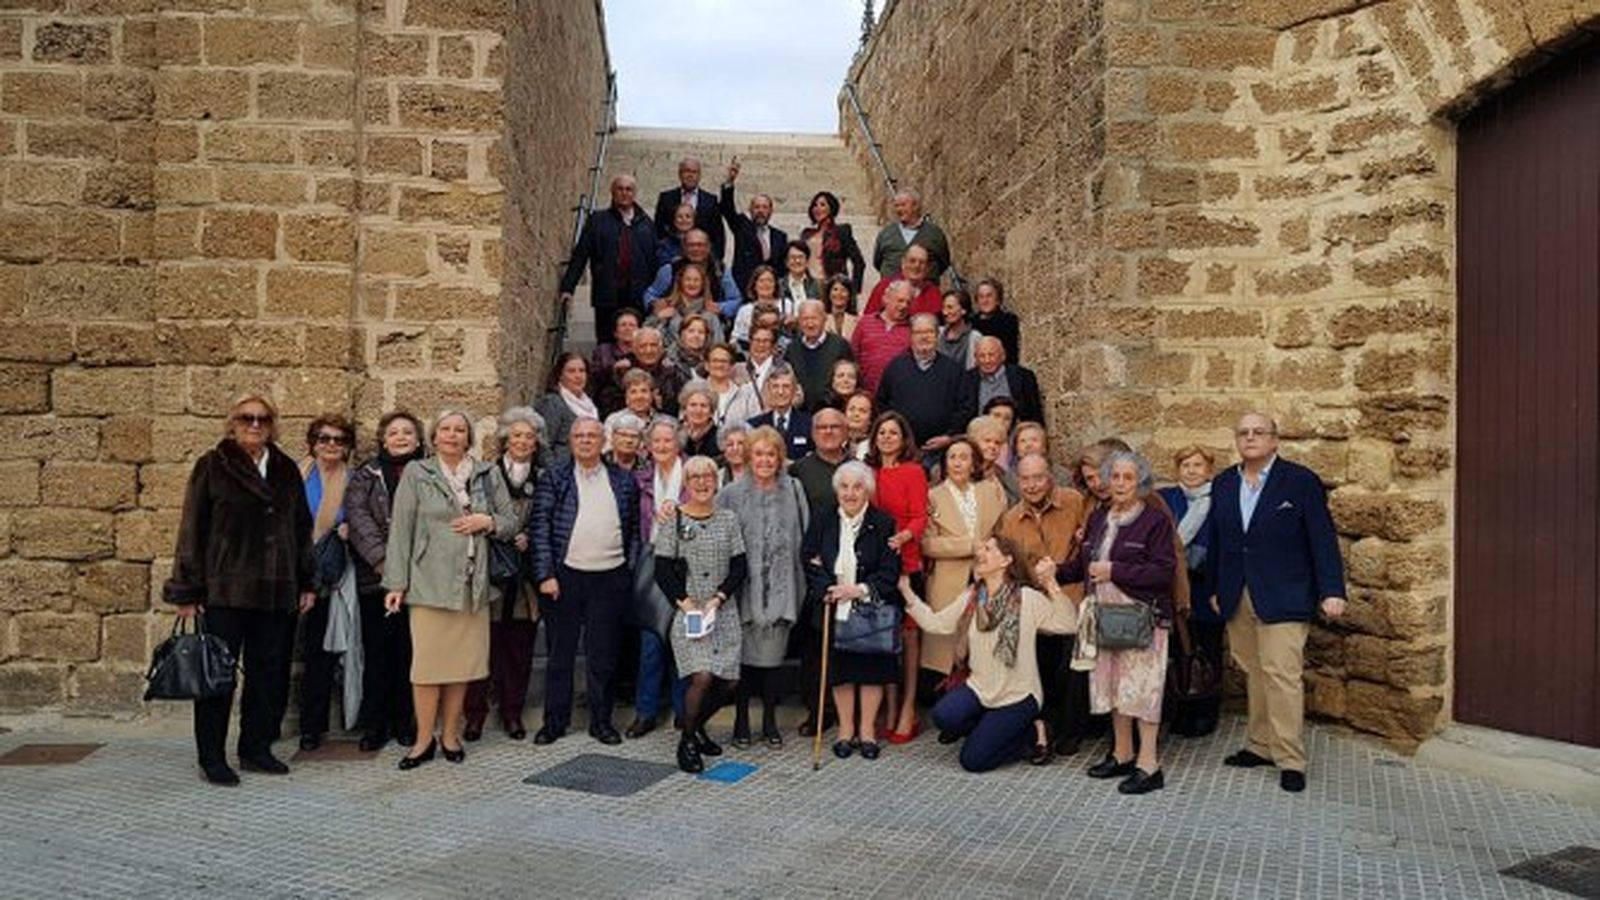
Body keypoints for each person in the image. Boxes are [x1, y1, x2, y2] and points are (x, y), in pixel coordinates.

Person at [165, 394, 315, 786]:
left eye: (263, 419)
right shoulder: (212, 467)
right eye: (247, 418)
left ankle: (256, 748)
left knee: (270, 675)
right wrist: (186, 591)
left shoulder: (284, 469)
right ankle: (211, 756)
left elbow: (301, 529)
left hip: (276, 592)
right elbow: (191, 531)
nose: (255, 425)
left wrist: (307, 582)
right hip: (226, 591)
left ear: (272, 424)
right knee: (218, 676)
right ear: (232, 422)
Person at [1205, 412, 1346, 793]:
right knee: (1253, 670)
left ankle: (1290, 759)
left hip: (1285, 592)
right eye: (1243, 432)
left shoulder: (1300, 482)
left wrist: (1332, 590)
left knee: (1282, 675)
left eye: (1258, 432)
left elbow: (1322, 539)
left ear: (1274, 440)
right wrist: (1217, 587)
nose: (1250, 438)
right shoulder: (1223, 483)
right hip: (1239, 593)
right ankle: (1260, 744)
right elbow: (1219, 541)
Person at [382, 410, 518, 770]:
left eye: (460, 429)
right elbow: (402, 530)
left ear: (469, 437)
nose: (453, 435)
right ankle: (423, 740)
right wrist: (396, 583)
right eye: (446, 429)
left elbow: (511, 521)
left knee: (460, 666)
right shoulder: (417, 472)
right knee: (426, 668)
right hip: (429, 583)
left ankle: (451, 736)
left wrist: (486, 521)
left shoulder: (487, 473)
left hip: (472, 585)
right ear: (434, 436)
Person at [1053, 450, 1178, 795]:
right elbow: (1082, 565)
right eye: (1116, 477)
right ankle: (1122, 753)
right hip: (1102, 615)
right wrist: (1055, 571)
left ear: (1140, 483)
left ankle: (1149, 764)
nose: (1120, 483)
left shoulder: (1155, 521)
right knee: (1110, 685)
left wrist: (1114, 571)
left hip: (1141, 615)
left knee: (1143, 688)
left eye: (1128, 478)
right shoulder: (1098, 518)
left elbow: (1162, 572)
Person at [900, 534, 1080, 772]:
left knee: (973, 761)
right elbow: (938, 624)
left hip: (1018, 696)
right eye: (981, 548)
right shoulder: (974, 596)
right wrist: (907, 593)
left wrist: (1051, 584)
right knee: (944, 716)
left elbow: (1068, 624)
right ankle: (993, 727)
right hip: (980, 688)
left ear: (1006, 560)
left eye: (988, 548)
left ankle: (1034, 732)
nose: (980, 553)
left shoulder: (1027, 598)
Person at [530, 417, 640, 745]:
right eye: (579, 436)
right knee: (560, 653)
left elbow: (634, 529)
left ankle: (601, 722)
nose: (586, 441)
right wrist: (545, 574)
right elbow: (541, 528)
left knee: (602, 655)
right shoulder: (555, 477)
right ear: (571, 441)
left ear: (603, 440)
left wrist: (629, 568)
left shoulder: (622, 480)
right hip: (566, 576)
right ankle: (554, 722)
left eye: (592, 436)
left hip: (610, 577)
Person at [652, 455, 747, 772]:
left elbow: (739, 566)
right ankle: (687, 742)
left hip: (722, 610)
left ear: (716, 481)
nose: (703, 483)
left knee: (729, 682)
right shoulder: (674, 520)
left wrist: (719, 598)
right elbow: (662, 569)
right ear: (686, 484)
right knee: (702, 675)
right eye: (695, 478)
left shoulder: (728, 519)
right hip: (689, 610)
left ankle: (696, 726)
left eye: (708, 477)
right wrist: (685, 601)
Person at [803, 461, 902, 759]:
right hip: (833, 607)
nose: (850, 493)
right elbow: (808, 557)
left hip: (869, 609)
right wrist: (828, 589)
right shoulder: (823, 518)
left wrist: (858, 589)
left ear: (867, 491)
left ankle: (867, 732)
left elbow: (889, 569)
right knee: (840, 672)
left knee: (870, 671)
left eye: (857, 487)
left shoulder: (883, 522)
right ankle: (846, 731)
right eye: (844, 487)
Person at [718, 427, 808, 748]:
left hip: (782, 587)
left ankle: (770, 722)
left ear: (780, 457)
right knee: (742, 662)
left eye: (771, 454)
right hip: (743, 589)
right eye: (758, 453)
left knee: (773, 661)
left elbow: (805, 535)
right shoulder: (729, 492)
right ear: (748, 456)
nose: (765, 460)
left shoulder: (793, 489)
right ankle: (741, 722)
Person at [995, 453, 1089, 757]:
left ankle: (1072, 730)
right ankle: (1045, 726)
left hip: (1072, 594)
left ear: (1049, 477)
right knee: (1039, 666)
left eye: (1038, 477)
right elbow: (1011, 568)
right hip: (1035, 603)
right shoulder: (1010, 519)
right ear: (1017, 482)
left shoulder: (1074, 501)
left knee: (1071, 665)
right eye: (1025, 479)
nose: (1032, 485)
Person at [463, 408, 545, 742]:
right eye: (516, 436)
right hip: (489, 570)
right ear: (504, 440)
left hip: (525, 577)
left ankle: (513, 712)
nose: (522, 441)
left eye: (528, 436)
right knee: (481, 646)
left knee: (519, 647)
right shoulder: (483, 475)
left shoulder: (544, 476)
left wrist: (531, 536)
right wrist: (506, 532)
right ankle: (474, 715)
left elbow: (550, 518)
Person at [346, 412, 423, 753]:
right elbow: (359, 519)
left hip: (418, 581)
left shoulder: (428, 473)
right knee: (377, 655)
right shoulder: (366, 474)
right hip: (375, 579)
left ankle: (405, 723)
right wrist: (384, 564)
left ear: (419, 440)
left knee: (410, 654)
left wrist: (409, 570)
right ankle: (375, 724)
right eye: (394, 432)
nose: (401, 437)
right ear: (383, 439)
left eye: (408, 432)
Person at [921, 439, 1007, 681]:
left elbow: (1003, 532)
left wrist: (989, 548)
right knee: (946, 650)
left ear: (974, 464)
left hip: (988, 576)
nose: (957, 463)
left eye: (964, 457)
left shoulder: (990, 491)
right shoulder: (932, 496)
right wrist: (968, 545)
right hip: (949, 580)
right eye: (952, 457)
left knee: (986, 643)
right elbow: (927, 543)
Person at [867, 410, 929, 744]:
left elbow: (920, 516)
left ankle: (907, 707)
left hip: (906, 562)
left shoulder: (914, 471)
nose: (887, 437)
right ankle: (888, 708)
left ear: (904, 438)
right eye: (882, 432)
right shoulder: (869, 472)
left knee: (909, 638)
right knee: (883, 640)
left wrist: (904, 537)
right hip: (877, 567)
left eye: (894, 432)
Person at [296, 413, 355, 752]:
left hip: (329, 579)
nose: (331, 445)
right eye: (324, 438)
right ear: (313, 443)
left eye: (339, 440)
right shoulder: (295, 476)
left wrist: (350, 531)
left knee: (320, 655)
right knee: (278, 655)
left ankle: (312, 727)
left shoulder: (353, 480)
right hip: (292, 573)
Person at [629, 416, 691, 739]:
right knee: (651, 639)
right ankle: (646, 711)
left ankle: (684, 711)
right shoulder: (640, 480)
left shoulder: (694, 475)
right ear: (649, 447)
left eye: (668, 441)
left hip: (686, 564)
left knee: (681, 638)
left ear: (678, 443)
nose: (663, 446)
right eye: (657, 442)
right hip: (652, 561)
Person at [1159, 445, 1222, 738]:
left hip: (1204, 585)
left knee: (1206, 652)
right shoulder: (1167, 498)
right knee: (1178, 651)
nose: (1192, 470)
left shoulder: (1219, 500)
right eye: (1186, 465)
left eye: (1198, 465)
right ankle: (1180, 709)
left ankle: (1206, 712)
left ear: (1209, 470)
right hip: (1172, 586)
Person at [560, 174, 656, 345]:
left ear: (635, 193)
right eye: (620, 189)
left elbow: (653, 261)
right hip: (607, 294)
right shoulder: (597, 220)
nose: (624, 193)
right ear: (612, 192)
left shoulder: (647, 224)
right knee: (605, 344)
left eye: (629, 189)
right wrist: (568, 287)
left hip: (636, 296)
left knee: (635, 343)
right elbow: (581, 254)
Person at [873, 312, 965, 461]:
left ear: (937, 335)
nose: (924, 337)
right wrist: (896, 437)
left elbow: (964, 407)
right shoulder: (895, 367)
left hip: (941, 452)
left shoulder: (954, 370)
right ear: (911, 336)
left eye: (929, 332)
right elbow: (881, 403)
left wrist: (949, 436)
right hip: (901, 451)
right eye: (918, 332)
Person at [720, 159, 787, 293]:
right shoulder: (742, 226)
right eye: (756, 207)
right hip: (745, 289)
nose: (760, 211)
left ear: (770, 211)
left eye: (764, 207)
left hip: (770, 290)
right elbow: (727, 209)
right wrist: (730, 181)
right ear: (750, 210)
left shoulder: (780, 236)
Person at [643, 229, 742, 317]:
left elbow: (736, 300)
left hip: (709, 322)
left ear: (708, 247)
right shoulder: (670, 270)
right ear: (684, 247)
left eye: (700, 245)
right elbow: (650, 294)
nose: (696, 249)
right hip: (674, 320)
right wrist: (654, 304)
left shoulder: (720, 271)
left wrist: (720, 308)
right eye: (691, 245)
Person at [785, 299, 854, 414]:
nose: (810, 324)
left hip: (832, 414)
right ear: (799, 322)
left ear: (824, 319)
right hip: (800, 414)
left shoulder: (840, 346)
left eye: (814, 318)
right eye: (805, 319)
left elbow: (850, 381)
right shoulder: (792, 349)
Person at [958, 336, 1044, 427]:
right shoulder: (967, 379)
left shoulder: (1022, 377)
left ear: (1003, 356)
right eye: (982, 356)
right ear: (976, 359)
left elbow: (1034, 413)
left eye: (991, 355)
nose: (987, 361)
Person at [603, 326, 686, 417]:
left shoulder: (672, 372)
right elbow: (609, 406)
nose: (648, 350)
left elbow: (681, 405)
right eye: (643, 346)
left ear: (661, 348)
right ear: (634, 349)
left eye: (653, 345)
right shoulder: (621, 371)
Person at [654, 156, 725, 261]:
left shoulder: (710, 200)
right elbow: (658, 230)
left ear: (699, 175)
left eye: (694, 172)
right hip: (671, 256)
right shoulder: (666, 198)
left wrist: (713, 260)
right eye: (686, 171)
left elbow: (718, 235)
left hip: (703, 259)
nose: (690, 175)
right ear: (679, 174)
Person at [872, 187, 951, 281]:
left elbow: (944, 262)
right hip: (892, 290)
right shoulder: (886, 233)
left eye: (903, 205)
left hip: (925, 292)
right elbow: (877, 262)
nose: (899, 209)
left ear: (915, 206)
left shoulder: (934, 233)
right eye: (896, 206)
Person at [850, 279, 912, 395]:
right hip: (865, 396)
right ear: (886, 299)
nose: (904, 306)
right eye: (900, 301)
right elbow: (853, 357)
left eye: (908, 302)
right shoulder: (865, 323)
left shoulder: (912, 330)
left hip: (897, 397)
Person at [536, 351, 598, 465]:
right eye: (571, 371)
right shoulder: (553, 403)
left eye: (582, 371)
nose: (578, 376)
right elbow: (543, 445)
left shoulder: (590, 405)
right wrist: (554, 473)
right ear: (560, 375)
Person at [801, 190, 866, 291]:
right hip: (809, 285)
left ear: (831, 208)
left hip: (831, 286)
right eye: (815, 205)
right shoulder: (807, 234)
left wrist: (853, 289)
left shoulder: (842, 232)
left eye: (822, 205)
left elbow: (859, 262)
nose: (817, 208)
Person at [746, 365, 813, 458]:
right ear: (768, 391)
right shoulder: (754, 426)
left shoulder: (809, 424)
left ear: (794, 391)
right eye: (775, 386)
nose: (780, 392)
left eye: (786, 386)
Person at [790, 408, 849, 511]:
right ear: (813, 433)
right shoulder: (797, 470)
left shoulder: (859, 468)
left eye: (835, 427)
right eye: (822, 427)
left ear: (845, 432)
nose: (828, 431)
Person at [862, 244, 941, 319]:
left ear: (927, 268)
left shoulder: (934, 292)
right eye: (912, 261)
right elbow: (867, 319)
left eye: (922, 262)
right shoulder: (884, 286)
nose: (917, 266)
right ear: (903, 263)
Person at [1000, 422, 1075, 497]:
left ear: (1044, 447)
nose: (1028, 445)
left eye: (1034, 440)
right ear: (1016, 449)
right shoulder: (1008, 479)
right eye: (1023, 441)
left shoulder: (1062, 476)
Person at [703, 342, 762, 428]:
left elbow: (756, 424)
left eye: (724, 361)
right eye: (715, 361)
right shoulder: (694, 391)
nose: (719, 365)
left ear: (732, 366)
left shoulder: (747, 393)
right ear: (706, 365)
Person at [589, 307, 641, 399]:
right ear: (615, 332)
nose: (627, 328)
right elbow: (593, 379)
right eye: (623, 325)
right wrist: (613, 368)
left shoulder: (644, 351)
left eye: (632, 325)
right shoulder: (602, 351)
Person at [731, 265, 784, 349]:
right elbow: (735, 338)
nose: (766, 284)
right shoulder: (744, 310)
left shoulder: (785, 304)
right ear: (754, 285)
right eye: (761, 281)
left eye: (770, 281)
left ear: (775, 284)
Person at [971, 278, 1020, 365]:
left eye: (989, 296)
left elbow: (1011, 354)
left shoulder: (1008, 321)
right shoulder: (970, 323)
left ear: (998, 300)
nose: (985, 301)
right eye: (981, 297)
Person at [937, 288, 979, 369]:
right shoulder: (938, 334)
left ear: (963, 310)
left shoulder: (974, 338)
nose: (945, 312)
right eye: (944, 308)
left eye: (950, 307)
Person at [678, 382, 721, 458]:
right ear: (684, 409)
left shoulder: (720, 438)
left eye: (703, 406)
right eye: (693, 405)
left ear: (711, 412)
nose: (698, 410)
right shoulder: (675, 434)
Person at [738, 324, 782, 398]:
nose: (761, 345)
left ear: (773, 345)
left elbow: (797, 396)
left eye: (766, 341)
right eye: (757, 340)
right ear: (750, 342)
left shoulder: (783, 368)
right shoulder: (737, 369)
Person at [779, 239, 821, 307]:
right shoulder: (779, 286)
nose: (797, 261)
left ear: (807, 261)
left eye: (801, 257)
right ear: (786, 262)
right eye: (793, 257)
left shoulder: (817, 285)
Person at [655, 201, 696, 267]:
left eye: (688, 216)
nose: (684, 219)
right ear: (674, 220)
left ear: (694, 220)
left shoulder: (702, 242)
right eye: (679, 217)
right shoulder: (664, 245)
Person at [822, 274, 859, 341]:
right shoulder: (821, 319)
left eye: (843, 290)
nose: (839, 293)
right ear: (829, 294)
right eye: (835, 289)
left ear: (849, 296)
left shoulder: (857, 321)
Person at [716, 420, 750, 486]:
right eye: (730, 444)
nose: (735, 448)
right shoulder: (718, 477)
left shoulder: (759, 474)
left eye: (741, 443)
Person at [843, 391, 874, 460]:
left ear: (870, 419)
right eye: (852, 409)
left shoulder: (875, 448)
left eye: (862, 411)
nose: (856, 414)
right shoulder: (835, 443)